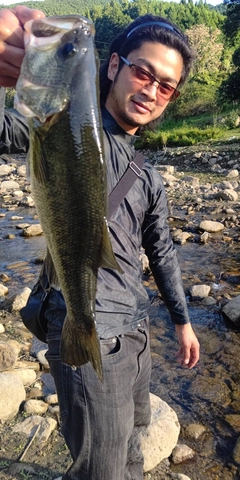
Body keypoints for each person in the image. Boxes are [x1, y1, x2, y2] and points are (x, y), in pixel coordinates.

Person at [0, 6, 200, 480]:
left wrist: (183, 320)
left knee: (132, 449)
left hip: (135, 331)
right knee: (101, 470)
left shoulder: (147, 174)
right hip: (84, 325)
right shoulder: (50, 120)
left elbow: (163, 250)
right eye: (142, 72)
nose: (151, 90)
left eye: (165, 85)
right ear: (113, 67)